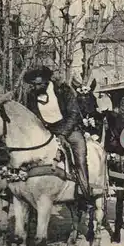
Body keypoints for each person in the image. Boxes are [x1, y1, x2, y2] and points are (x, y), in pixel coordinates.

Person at [23, 66, 92, 199]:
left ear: (46, 81)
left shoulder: (63, 91)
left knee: (80, 158)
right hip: (46, 131)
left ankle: (84, 191)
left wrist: (63, 133)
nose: (36, 88)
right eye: (33, 85)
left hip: (69, 129)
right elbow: (32, 117)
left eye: (38, 84)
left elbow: (74, 114)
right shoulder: (31, 95)